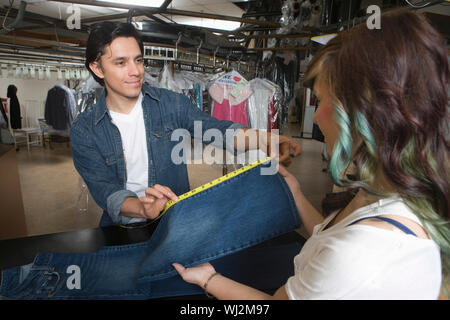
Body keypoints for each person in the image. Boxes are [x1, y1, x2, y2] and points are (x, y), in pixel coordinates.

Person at [173, 8, 449, 299]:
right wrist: (295, 193)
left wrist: (209, 280)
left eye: (321, 100)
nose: (315, 117)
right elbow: (332, 235)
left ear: (360, 112)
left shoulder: (362, 255)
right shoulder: (391, 195)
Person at [70, 21, 301, 227]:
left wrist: (263, 138)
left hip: (175, 219)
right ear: (97, 68)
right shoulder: (85, 131)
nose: (136, 71)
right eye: (121, 63)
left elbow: (218, 131)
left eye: (138, 60)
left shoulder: (171, 104)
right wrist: (143, 209)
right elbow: (106, 190)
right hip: (120, 228)